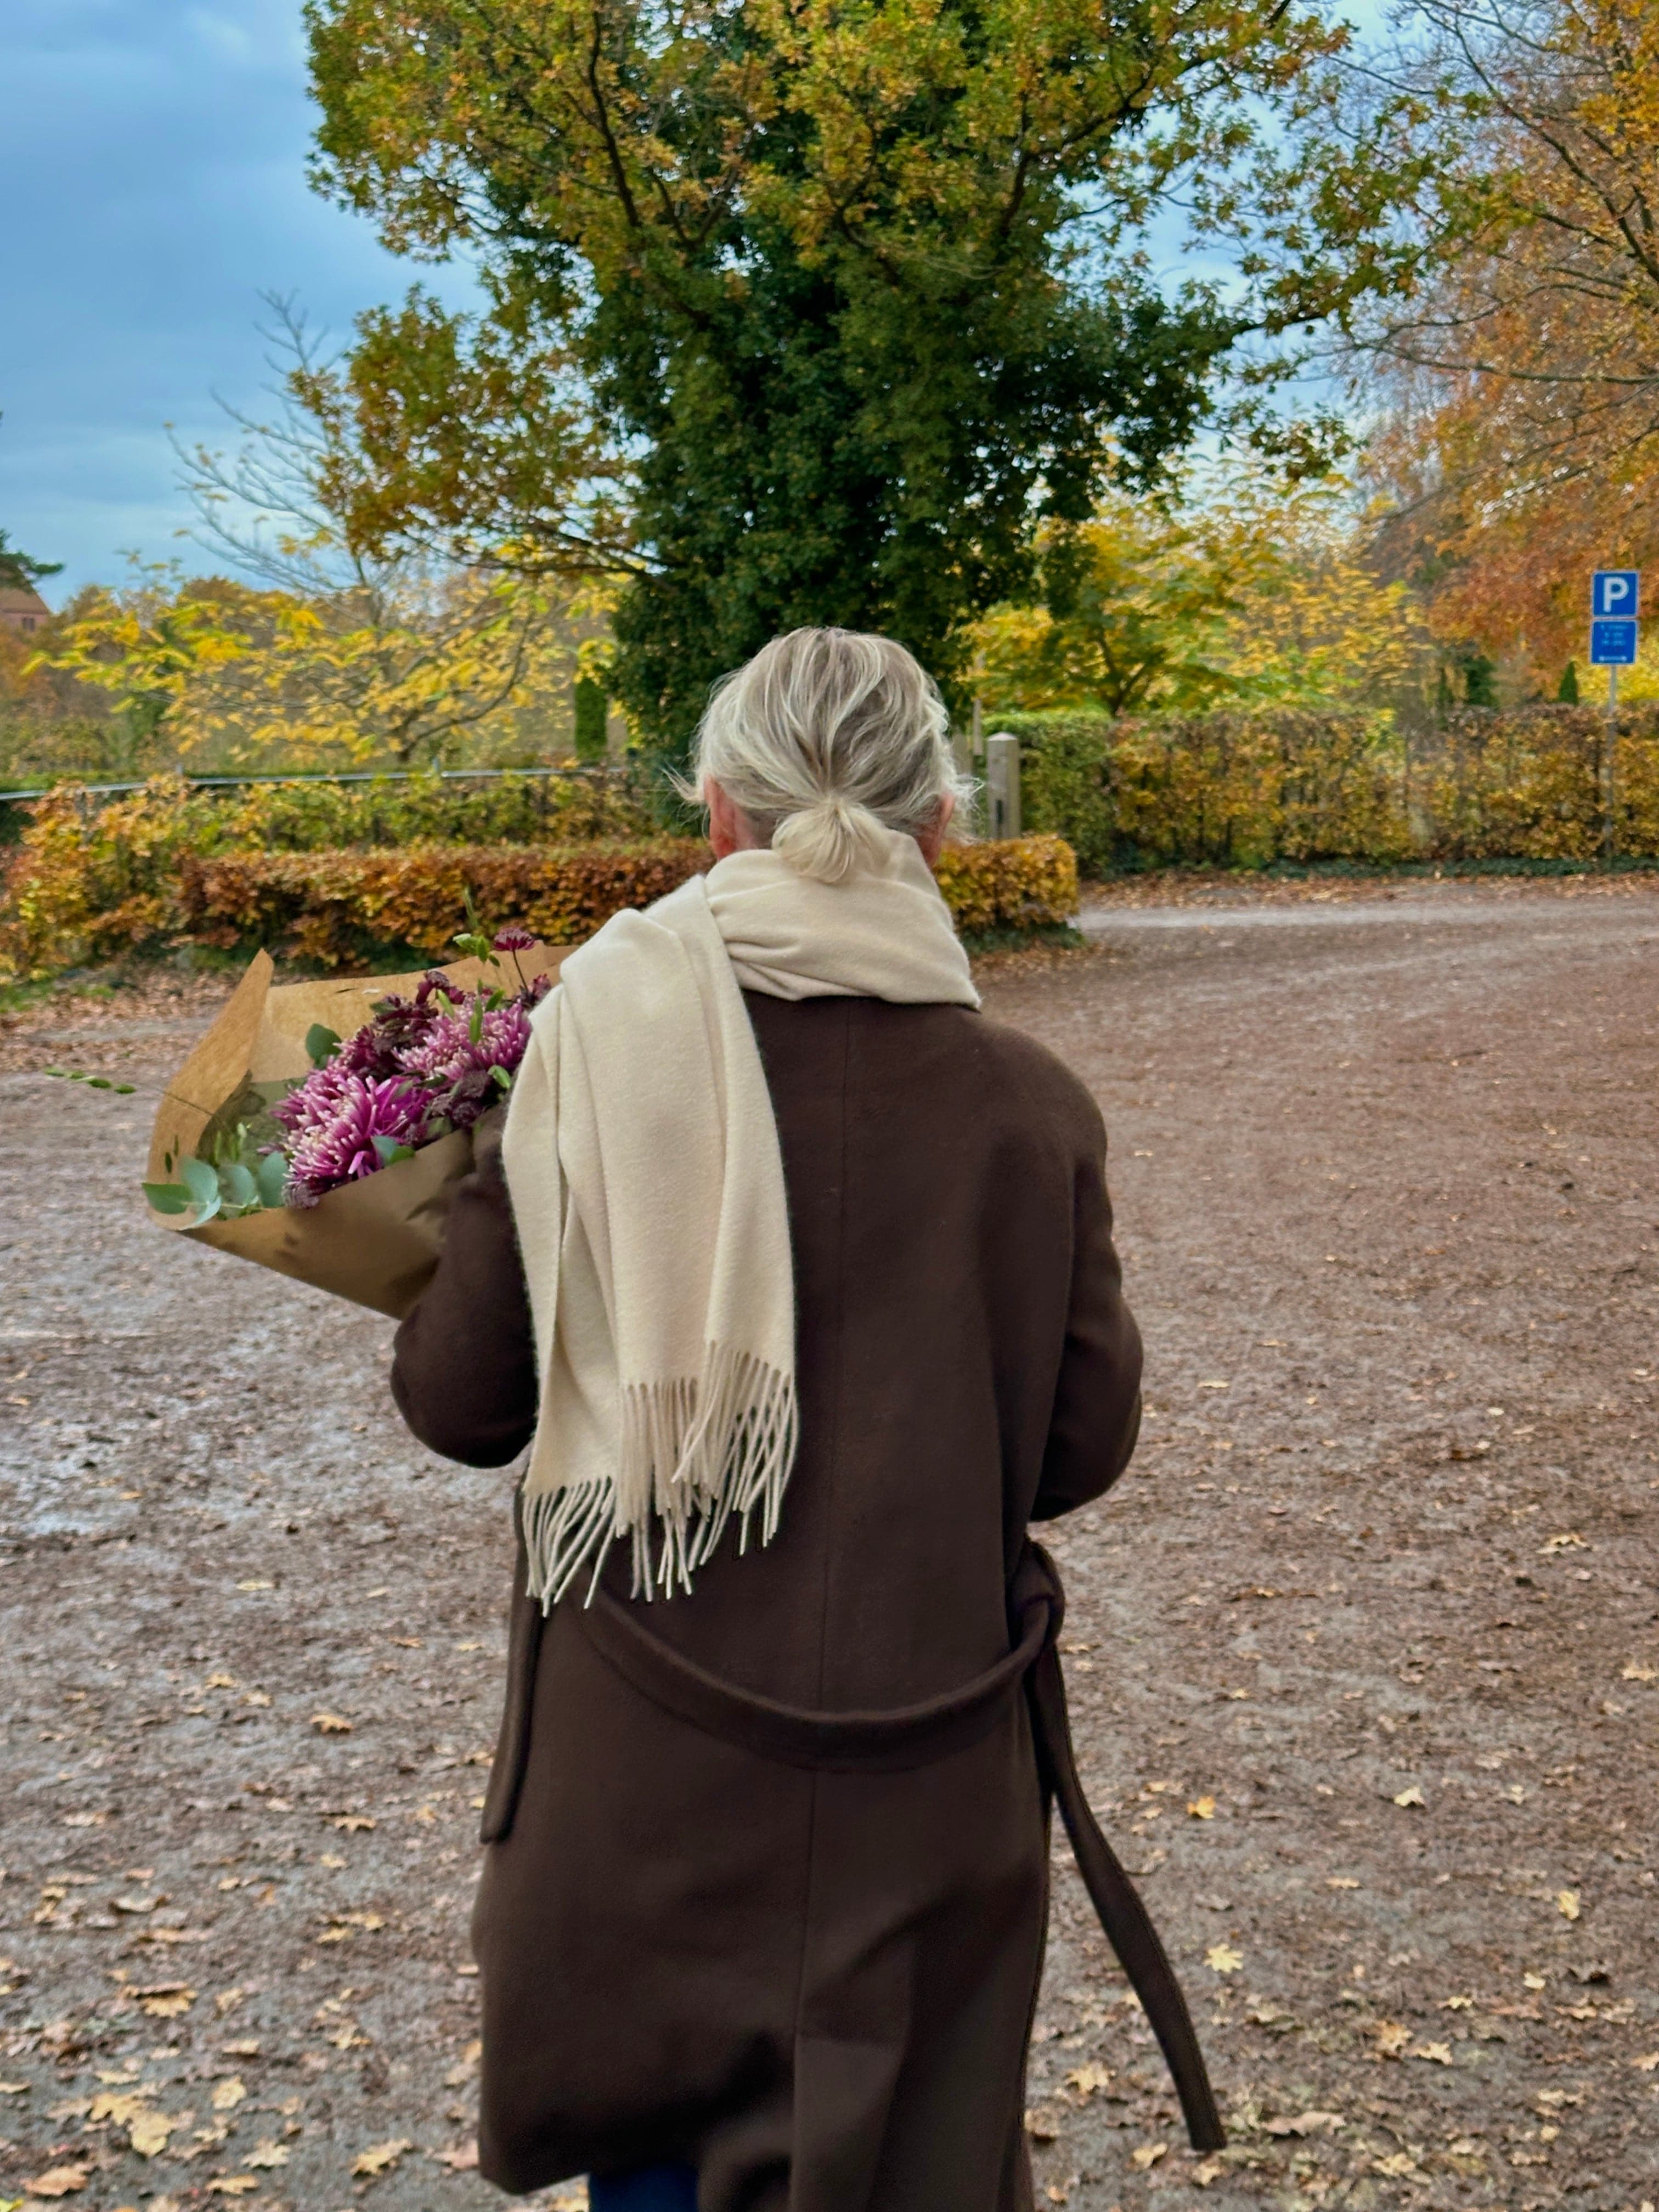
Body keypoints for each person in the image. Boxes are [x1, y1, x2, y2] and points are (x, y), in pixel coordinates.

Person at [390, 627, 1220, 2212]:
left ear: (717, 816)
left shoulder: (580, 1058)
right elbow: (1078, 1451)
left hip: (638, 1787)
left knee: (649, 2173)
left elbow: (463, 1404)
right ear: (944, 826)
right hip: (926, 1782)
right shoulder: (1028, 1107)